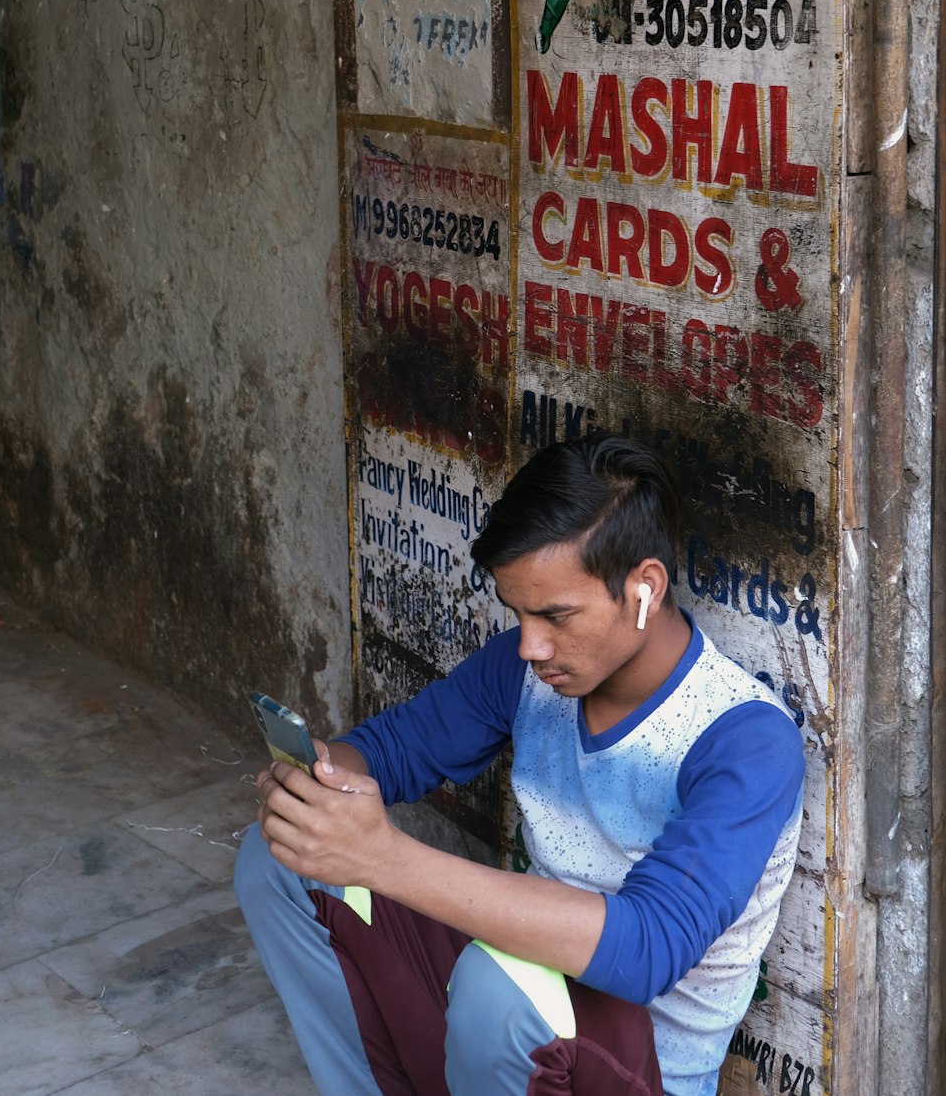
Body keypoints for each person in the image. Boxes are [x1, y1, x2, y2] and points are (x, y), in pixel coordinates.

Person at [235, 432, 805, 1096]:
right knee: (282, 858)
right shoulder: (529, 670)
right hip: (512, 1016)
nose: (530, 644)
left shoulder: (745, 740)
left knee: (499, 984)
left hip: (632, 1069)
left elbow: (647, 949)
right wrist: (320, 785)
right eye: (519, 613)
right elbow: (393, 749)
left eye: (556, 615)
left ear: (645, 587)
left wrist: (381, 858)